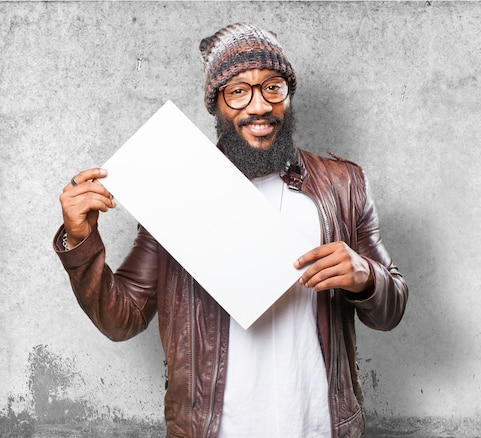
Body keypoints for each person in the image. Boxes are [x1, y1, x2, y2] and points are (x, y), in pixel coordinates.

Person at [54, 23, 408, 438]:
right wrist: (79, 241)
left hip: (319, 425)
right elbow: (122, 319)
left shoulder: (344, 185)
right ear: (216, 105)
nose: (259, 106)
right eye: (238, 91)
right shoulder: (176, 197)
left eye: (272, 87)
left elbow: (392, 310)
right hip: (213, 429)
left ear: (288, 96)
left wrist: (365, 275)